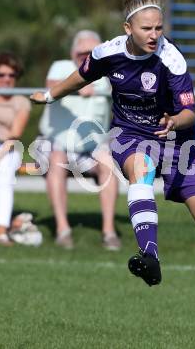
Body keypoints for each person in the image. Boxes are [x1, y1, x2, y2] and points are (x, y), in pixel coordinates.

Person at [31, 0, 195, 327]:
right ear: (128, 29)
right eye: (146, 29)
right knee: (142, 167)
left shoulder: (171, 59)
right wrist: (50, 95)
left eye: (159, 28)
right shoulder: (107, 52)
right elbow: (81, 77)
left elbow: (190, 113)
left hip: (177, 141)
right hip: (129, 135)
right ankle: (149, 255)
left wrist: (173, 121)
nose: (154, 35)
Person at [38, 30, 120, 250]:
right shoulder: (62, 66)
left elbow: (120, 87)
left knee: (108, 164)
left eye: (92, 53)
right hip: (57, 142)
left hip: (92, 147)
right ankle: (63, 229)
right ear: (73, 52)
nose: (87, 57)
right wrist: (80, 84)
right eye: (82, 53)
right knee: (56, 158)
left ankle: (109, 231)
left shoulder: (107, 71)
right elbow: (52, 83)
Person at [0, 52, 31, 246]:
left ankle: (1, 231)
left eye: (11, 75)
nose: (6, 79)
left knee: (5, 173)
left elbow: (15, 134)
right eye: (1, 75)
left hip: (7, 146)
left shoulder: (20, 101)